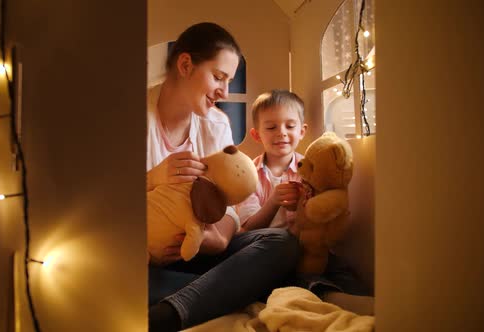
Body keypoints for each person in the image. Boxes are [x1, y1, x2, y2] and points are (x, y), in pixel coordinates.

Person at [147, 23, 298, 331]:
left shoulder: (216, 124)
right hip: (144, 257)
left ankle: (173, 308)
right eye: (218, 77)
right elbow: (103, 203)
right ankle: (220, 291)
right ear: (186, 65)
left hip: (198, 251)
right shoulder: (133, 115)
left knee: (282, 243)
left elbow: (230, 207)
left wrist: (218, 238)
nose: (225, 92)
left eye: (228, 81)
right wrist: (152, 177)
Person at [236, 89, 374, 315]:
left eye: (290, 126)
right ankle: (328, 297)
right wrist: (273, 202)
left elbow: (325, 211)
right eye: (271, 127)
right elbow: (248, 228)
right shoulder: (249, 174)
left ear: (302, 131)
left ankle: (365, 300)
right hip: (272, 255)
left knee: (338, 266)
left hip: (312, 249)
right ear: (257, 135)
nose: (281, 133)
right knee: (291, 281)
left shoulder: (312, 169)